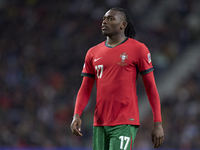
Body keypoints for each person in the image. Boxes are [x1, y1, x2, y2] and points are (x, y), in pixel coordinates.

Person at [70, 7, 164, 150]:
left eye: (111, 19)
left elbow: (151, 88)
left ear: (123, 25)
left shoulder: (138, 49)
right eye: (104, 19)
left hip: (125, 121)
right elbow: (85, 88)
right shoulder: (92, 53)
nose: (105, 22)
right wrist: (77, 114)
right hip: (100, 123)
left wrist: (157, 123)